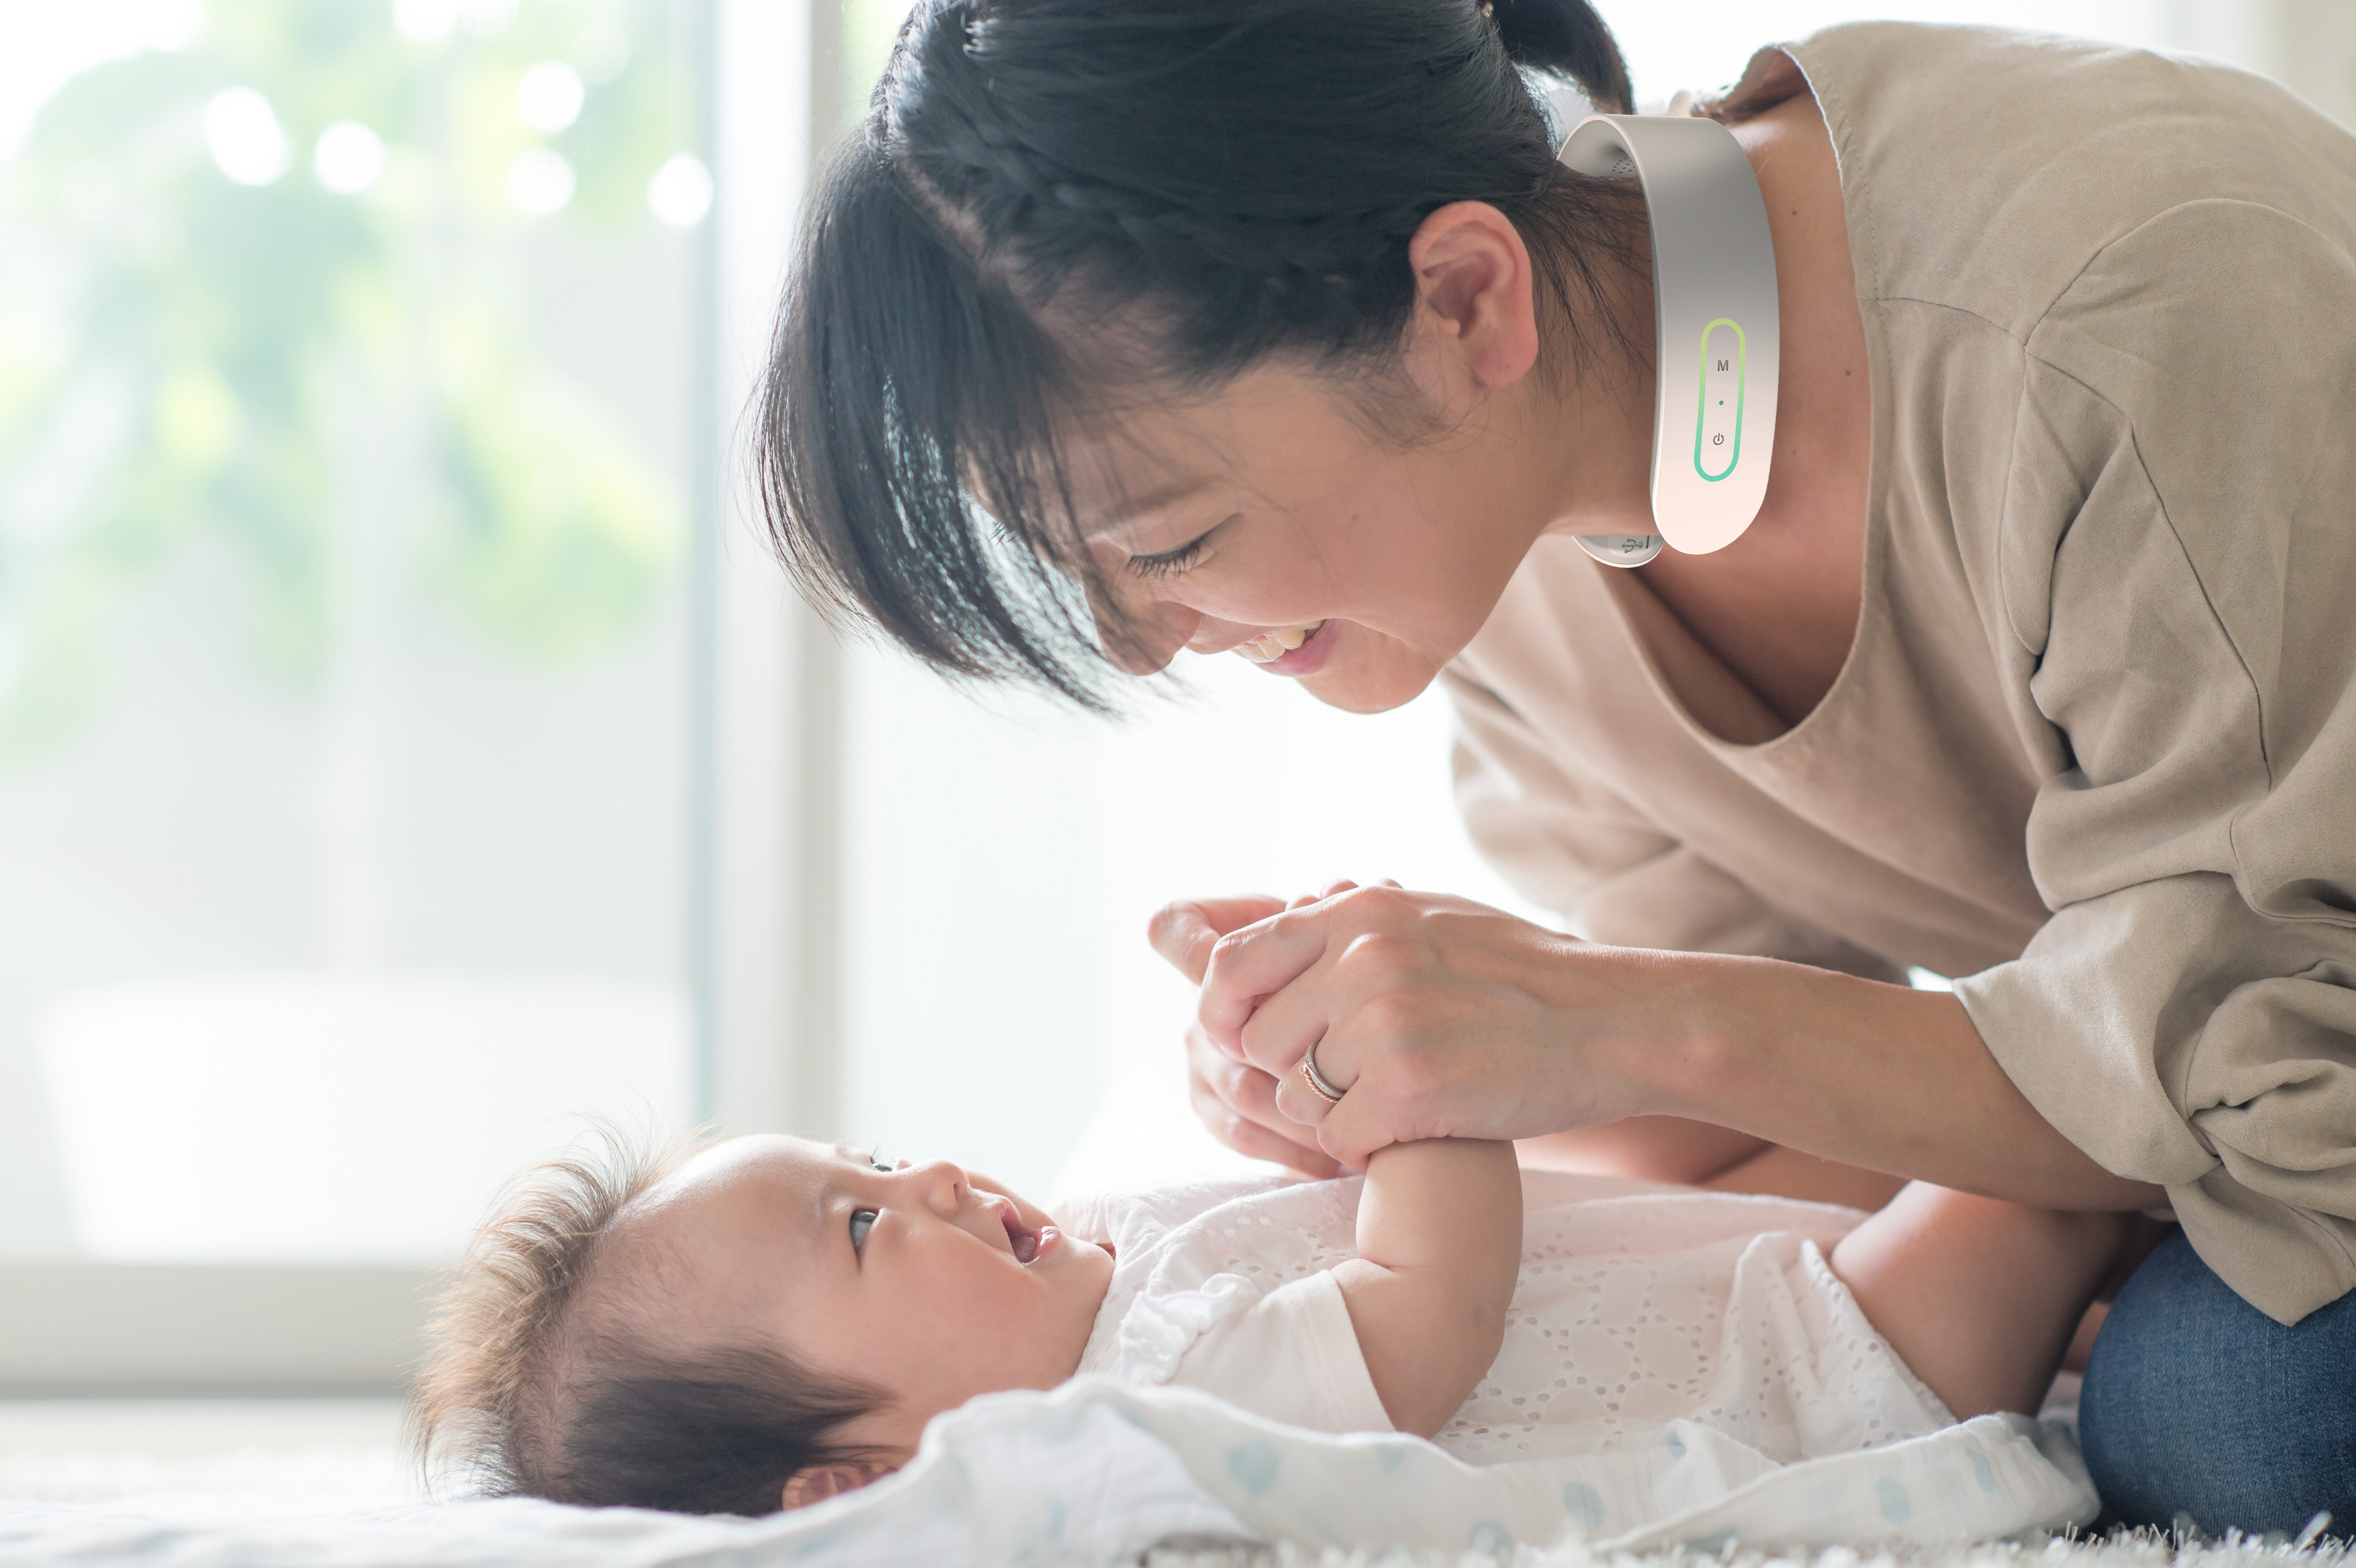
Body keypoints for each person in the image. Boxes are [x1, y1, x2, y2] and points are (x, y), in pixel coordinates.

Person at [757, 0, 2356, 1530]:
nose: (1142, 645)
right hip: (2244, 1058)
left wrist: (1600, 1017)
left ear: (1464, 301)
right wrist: (1390, 1098)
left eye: (1169, 543)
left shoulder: (2113, 317)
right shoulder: (1508, 587)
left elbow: (2296, 1088)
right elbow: (1758, 1137)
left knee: (2226, 1405)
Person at [406, 1108, 2126, 1516]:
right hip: (1823, 1361)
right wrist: (1416, 1095)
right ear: (860, 1487)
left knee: (1721, 1124)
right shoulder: (1150, 1442)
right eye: (860, 1224)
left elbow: (1311, 1220)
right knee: (2050, 1152)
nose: (924, 1178)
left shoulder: (1098, 1284)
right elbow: (1426, 1303)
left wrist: (1300, 1111)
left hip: (1703, 1258)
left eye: (871, 1153)